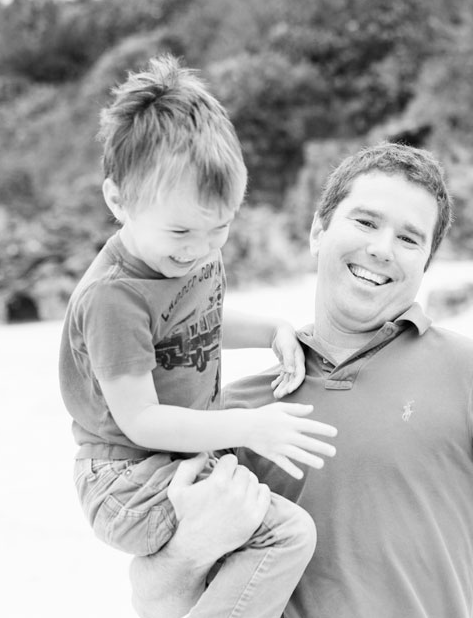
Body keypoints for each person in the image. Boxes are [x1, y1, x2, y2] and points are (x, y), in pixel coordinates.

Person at [130, 141, 473, 618]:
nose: (382, 248)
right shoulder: (234, 414)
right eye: (365, 222)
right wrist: (190, 549)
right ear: (318, 232)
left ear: (426, 262)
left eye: (408, 238)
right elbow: (153, 599)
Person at [58, 55, 337, 618]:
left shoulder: (189, 259)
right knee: (286, 535)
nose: (201, 249)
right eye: (181, 230)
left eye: (221, 227)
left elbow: (198, 322)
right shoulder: (114, 297)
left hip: (178, 452)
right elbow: (141, 420)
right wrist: (247, 426)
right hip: (125, 477)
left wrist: (272, 330)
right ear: (118, 201)